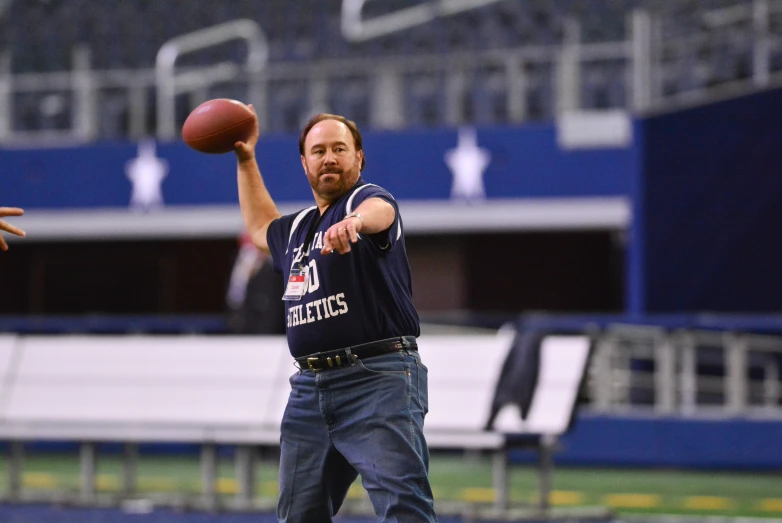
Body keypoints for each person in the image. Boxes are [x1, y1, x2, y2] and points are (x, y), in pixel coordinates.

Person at [233, 109, 436, 523]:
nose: (329, 157)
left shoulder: (363, 200)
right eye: (319, 150)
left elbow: (383, 211)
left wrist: (355, 223)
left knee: (404, 509)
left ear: (358, 158)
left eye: (339, 149)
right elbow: (259, 227)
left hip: (377, 379)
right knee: (299, 515)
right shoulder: (298, 229)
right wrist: (246, 158)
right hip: (309, 387)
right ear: (304, 163)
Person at [225, 231, 286, 335]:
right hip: (239, 326)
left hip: (264, 331)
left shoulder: (272, 267)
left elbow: (274, 305)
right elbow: (234, 294)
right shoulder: (239, 261)